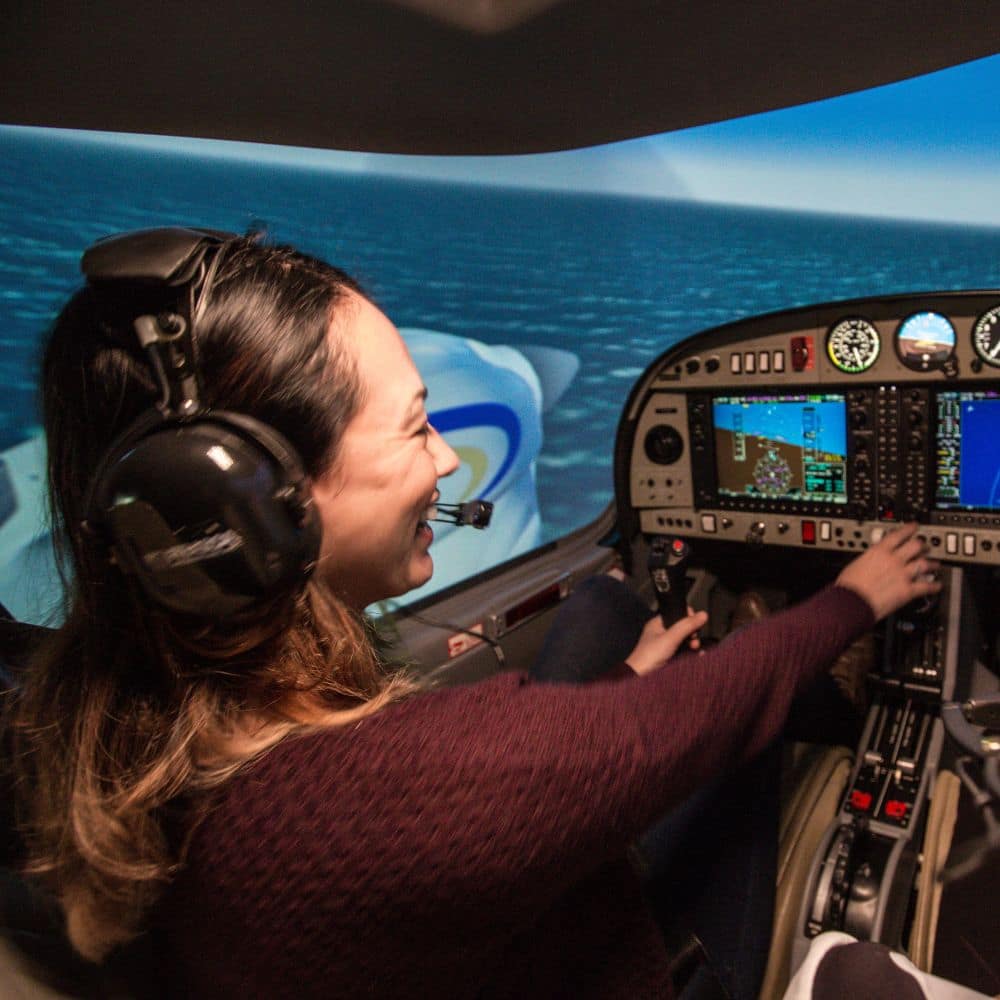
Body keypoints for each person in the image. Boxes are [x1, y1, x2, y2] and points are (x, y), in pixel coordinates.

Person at [6, 229, 940, 999]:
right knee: (755, 728)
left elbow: (524, 767)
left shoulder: (99, 717)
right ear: (251, 509)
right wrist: (857, 596)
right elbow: (706, 717)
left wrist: (627, 685)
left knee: (606, 612)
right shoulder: (420, 783)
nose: (448, 461)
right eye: (416, 425)